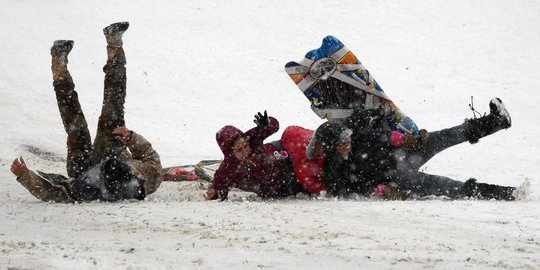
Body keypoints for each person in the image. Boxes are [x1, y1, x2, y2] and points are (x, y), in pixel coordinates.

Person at [10, 22, 163, 202]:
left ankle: (59, 64)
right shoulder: (149, 178)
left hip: (81, 167)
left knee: (76, 125)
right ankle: (114, 44)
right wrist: (131, 137)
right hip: (112, 150)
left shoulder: (90, 187)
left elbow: (55, 193)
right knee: (114, 107)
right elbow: (149, 156)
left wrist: (25, 175)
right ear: (130, 171)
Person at [309, 97, 516, 200]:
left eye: (348, 138)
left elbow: (383, 135)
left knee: (446, 136)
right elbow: (351, 189)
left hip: (402, 154)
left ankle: (497, 121)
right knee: (448, 186)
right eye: (342, 144)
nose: (348, 143)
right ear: (332, 148)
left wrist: (407, 141)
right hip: (398, 177)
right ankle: (504, 193)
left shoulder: (357, 132)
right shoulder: (337, 170)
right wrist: (387, 192)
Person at [204, 111, 304, 200]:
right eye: (239, 150)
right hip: (280, 190)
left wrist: (267, 123)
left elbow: (274, 127)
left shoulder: (251, 138)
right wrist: (215, 192)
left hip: (284, 159)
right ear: (231, 154)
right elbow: (218, 185)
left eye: (245, 146)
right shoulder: (228, 168)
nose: (245, 151)